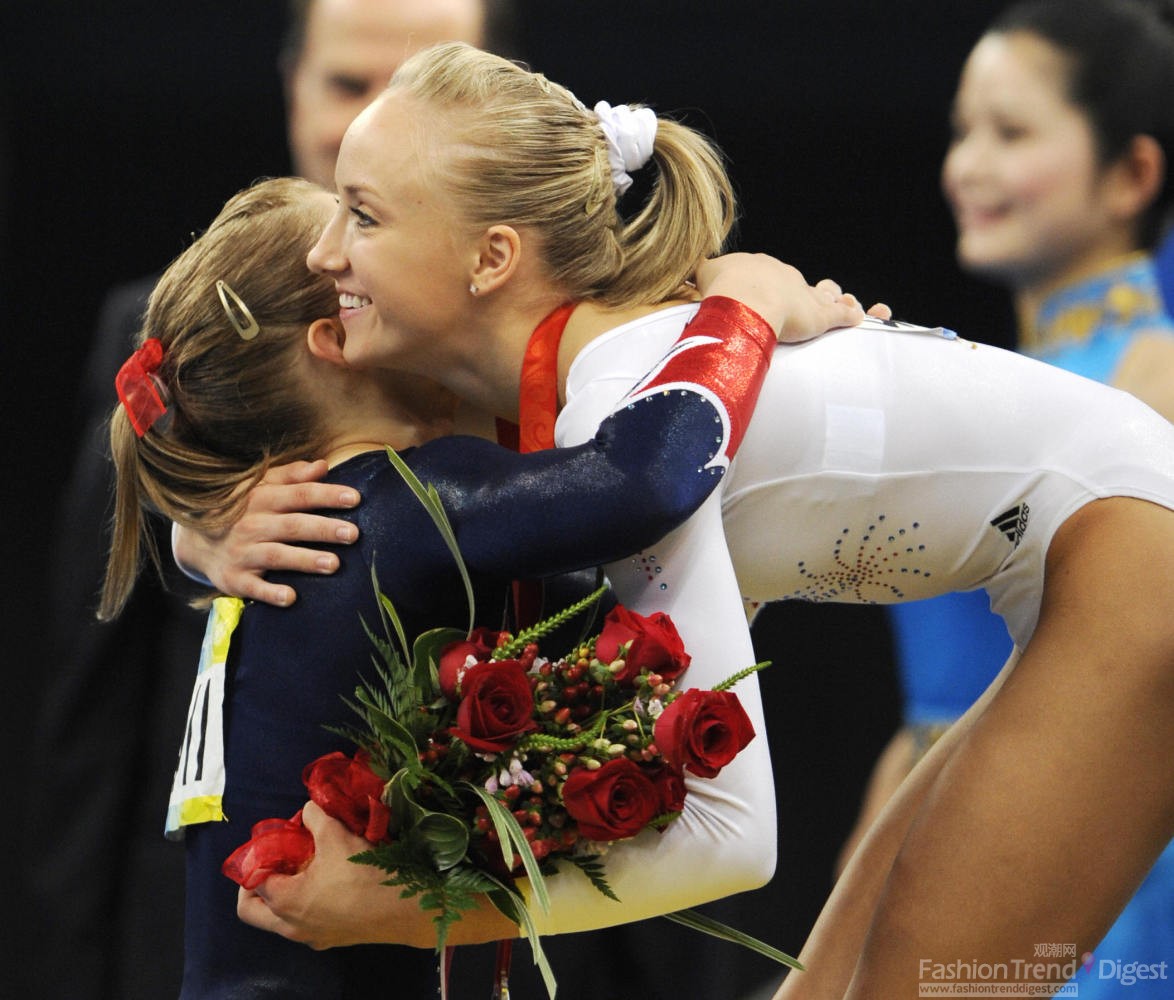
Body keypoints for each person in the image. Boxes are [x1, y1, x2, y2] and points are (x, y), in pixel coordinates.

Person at [179, 41, 1174, 998]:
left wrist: (405, 905)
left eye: (362, 214)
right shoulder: (589, 401)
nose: (325, 251)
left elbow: (730, 837)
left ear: (490, 258)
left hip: (1135, 552)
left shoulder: (626, 402)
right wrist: (205, 528)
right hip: (1099, 555)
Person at [105, 175, 845, 997]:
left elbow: (588, 601)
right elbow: (643, 483)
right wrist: (744, 311)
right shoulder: (395, 508)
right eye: (357, 245)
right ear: (336, 333)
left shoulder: (297, 525)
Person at [30, 5, 513, 999]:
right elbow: (93, 691)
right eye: (345, 85)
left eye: (416, 85)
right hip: (227, 923)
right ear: (290, 83)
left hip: (500, 919)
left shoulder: (534, 330)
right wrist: (192, 523)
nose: (370, 120)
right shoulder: (159, 331)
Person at [841, 2, 1174, 995]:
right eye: (960, 131)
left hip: (1104, 908)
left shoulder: (1152, 381)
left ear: (1133, 175)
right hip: (942, 863)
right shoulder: (1008, 381)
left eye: (1011, 131)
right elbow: (930, 719)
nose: (967, 166)